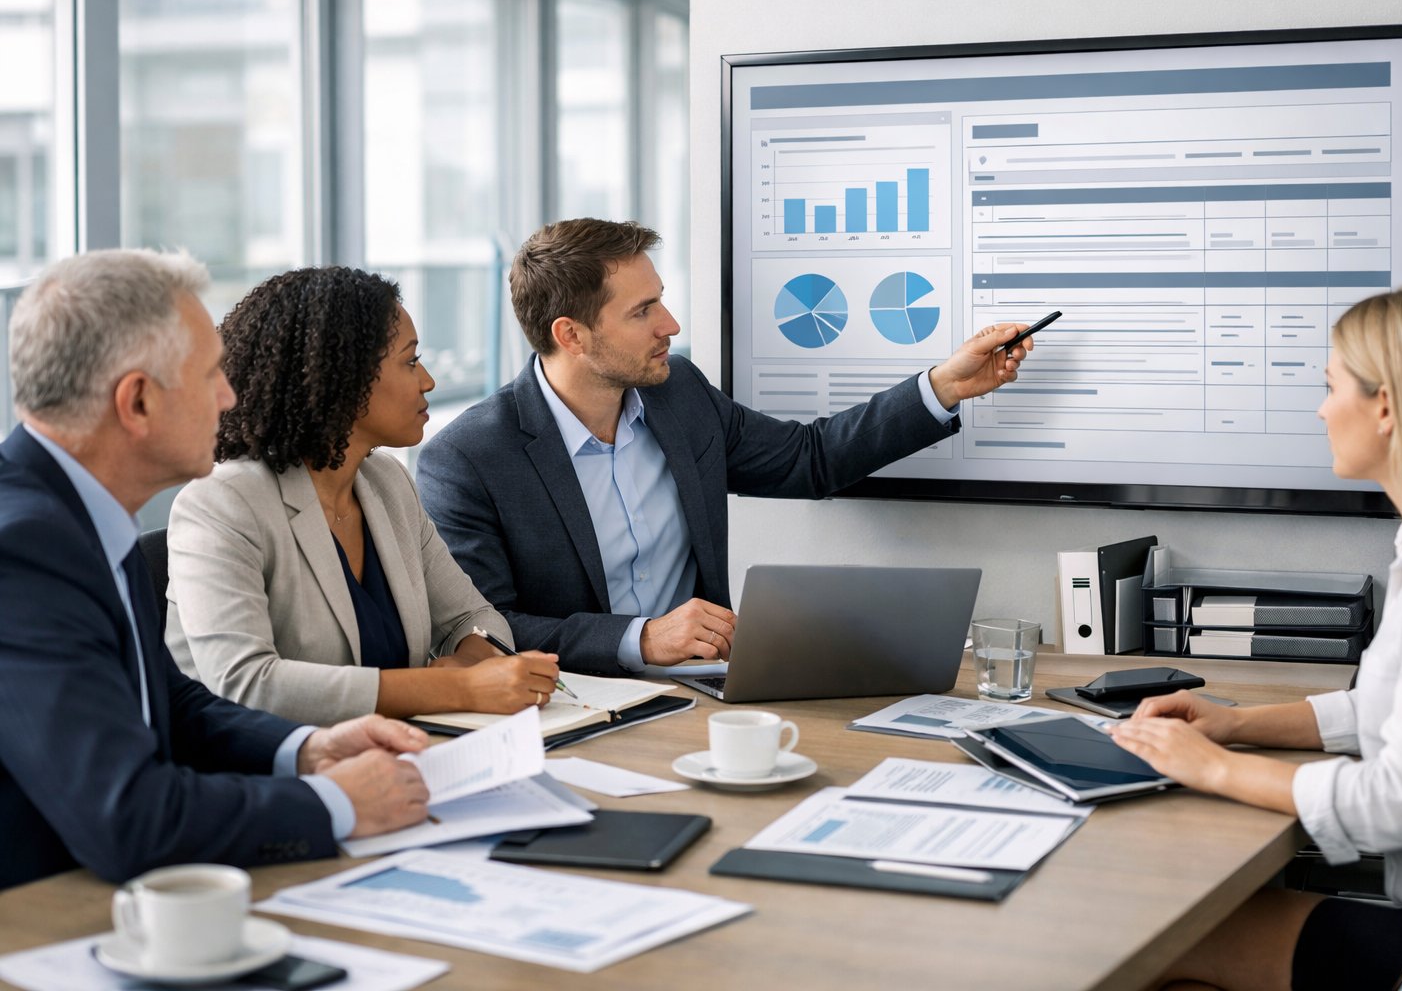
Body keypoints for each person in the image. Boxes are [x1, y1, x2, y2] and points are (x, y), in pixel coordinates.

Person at [1110, 283, 1402, 990]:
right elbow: (1381, 709)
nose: (1319, 408)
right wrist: (1234, 724)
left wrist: (1216, 769)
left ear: (1387, 405)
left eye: (1330, 385)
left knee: (1154, 943)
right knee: (1172, 933)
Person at [417, 217, 1035, 676]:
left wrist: (945, 386)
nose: (671, 325)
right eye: (644, 310)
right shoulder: (469, 457)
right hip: (578, 708)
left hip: (710, 690)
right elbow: (484, 629)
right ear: (571, 335)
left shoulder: (678, 394)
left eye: (661, 298)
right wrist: (639, 638)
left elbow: (809, 459)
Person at [0, 250, 432, 891]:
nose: (230, 396)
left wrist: (306, 750)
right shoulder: (25, 549)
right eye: (210, 376)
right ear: (138, 401)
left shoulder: (78, 515)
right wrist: (337, 804)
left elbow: (169, 704)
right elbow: (129, 819)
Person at [165, 267, 561, 727]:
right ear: (344, 380)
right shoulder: (223, 503)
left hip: (393, 753)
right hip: (263, 777)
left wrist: (466, 660)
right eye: (411, 361)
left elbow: (473, 618)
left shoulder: (385, 483)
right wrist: (454, 687)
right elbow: (247, 683)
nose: (428, 381)